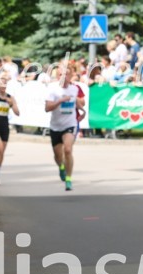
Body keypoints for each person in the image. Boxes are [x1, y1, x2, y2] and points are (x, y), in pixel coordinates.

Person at [45, 62, 85, 191]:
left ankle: (68, 179)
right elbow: (47, 108)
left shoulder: (74, 89)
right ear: (58, 76)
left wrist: (83, 112)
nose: (64, 77)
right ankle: (61, 167)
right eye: (61, 74)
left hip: (70, 124)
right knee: (58, 156)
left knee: (68, 150)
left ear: (71, 75)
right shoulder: (52, 88)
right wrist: (60, 100)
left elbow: (77, 103)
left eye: (67, 74)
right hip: (55, 126)